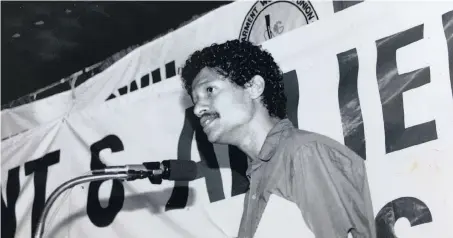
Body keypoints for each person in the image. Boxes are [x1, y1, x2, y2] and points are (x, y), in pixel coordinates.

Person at [180, 40, 376, 238]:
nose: (197, 109)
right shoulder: (258, 180)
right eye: (195, 101)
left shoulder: (303, 153)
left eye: (209, 90)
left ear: (254, 87)